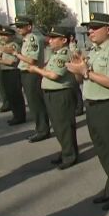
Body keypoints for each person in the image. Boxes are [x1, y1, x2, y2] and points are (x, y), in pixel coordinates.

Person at [66, 12, 109, 211]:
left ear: (108, 30)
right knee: (102, 150)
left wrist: (86, 72)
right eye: (89, 28)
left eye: (95, 27)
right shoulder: (92, 51)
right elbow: (82, 80)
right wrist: (79, 70)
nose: (90, 31)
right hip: (92, 105)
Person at [28, 26, 78, 169]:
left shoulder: (64, 54)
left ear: (63, 40)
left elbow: (54, 75)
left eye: (54, 38)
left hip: (61, 94)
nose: (50, 40)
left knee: (64, 126)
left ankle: (70, 156)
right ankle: (65, 152)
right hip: (52, 93)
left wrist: (36, 69)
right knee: (58, 126)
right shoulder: (56, 53)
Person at [9, 16, 50, 140]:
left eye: (21, 26)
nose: (18, 28)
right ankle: (40, 128)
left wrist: (15, 54)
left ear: (29, 26)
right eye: (17, 26)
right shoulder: (26, 39)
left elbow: (31, 60)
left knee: (36, 102)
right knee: (33, 103)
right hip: (26, 73)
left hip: (31, 74)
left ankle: (43, 130)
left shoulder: (32, 39)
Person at [0, 26, 26, 125]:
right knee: (10, 95)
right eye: (3, 35)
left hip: (12, 71)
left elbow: (12, 61)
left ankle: (20, 116)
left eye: (6, 35)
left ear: (11, 36)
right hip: (5, 71)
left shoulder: (13, 45)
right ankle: (16, 115)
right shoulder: (5, 44)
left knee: (15, 95)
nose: (4, 37)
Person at [68, 32, 85, 116]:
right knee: (73, 89)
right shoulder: (69, 45)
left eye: (71, 36)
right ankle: (77, 107)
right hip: (70, 69)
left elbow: (76, 55)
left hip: (75, 68)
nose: (70, 37)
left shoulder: (74, 46)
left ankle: (79, 107)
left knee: (76, 89)